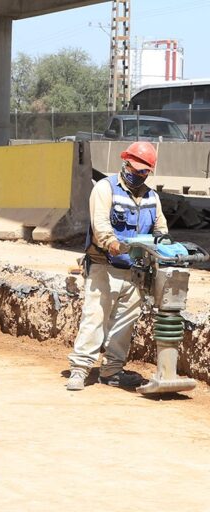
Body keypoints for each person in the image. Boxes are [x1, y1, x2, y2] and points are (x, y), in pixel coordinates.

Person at [66, 141, 167, 391]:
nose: (139, 175)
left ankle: (111, 371)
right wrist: (114, 243)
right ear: (126, 163)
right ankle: (80, 369)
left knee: (125, 322)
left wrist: (163, 246)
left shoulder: (152, 198)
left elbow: (161, 229)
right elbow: (100, 226)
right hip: (104, 266)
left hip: (134, 272)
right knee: (95, 317)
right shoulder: (105, 189)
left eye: (145, 172)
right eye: (137, 169)